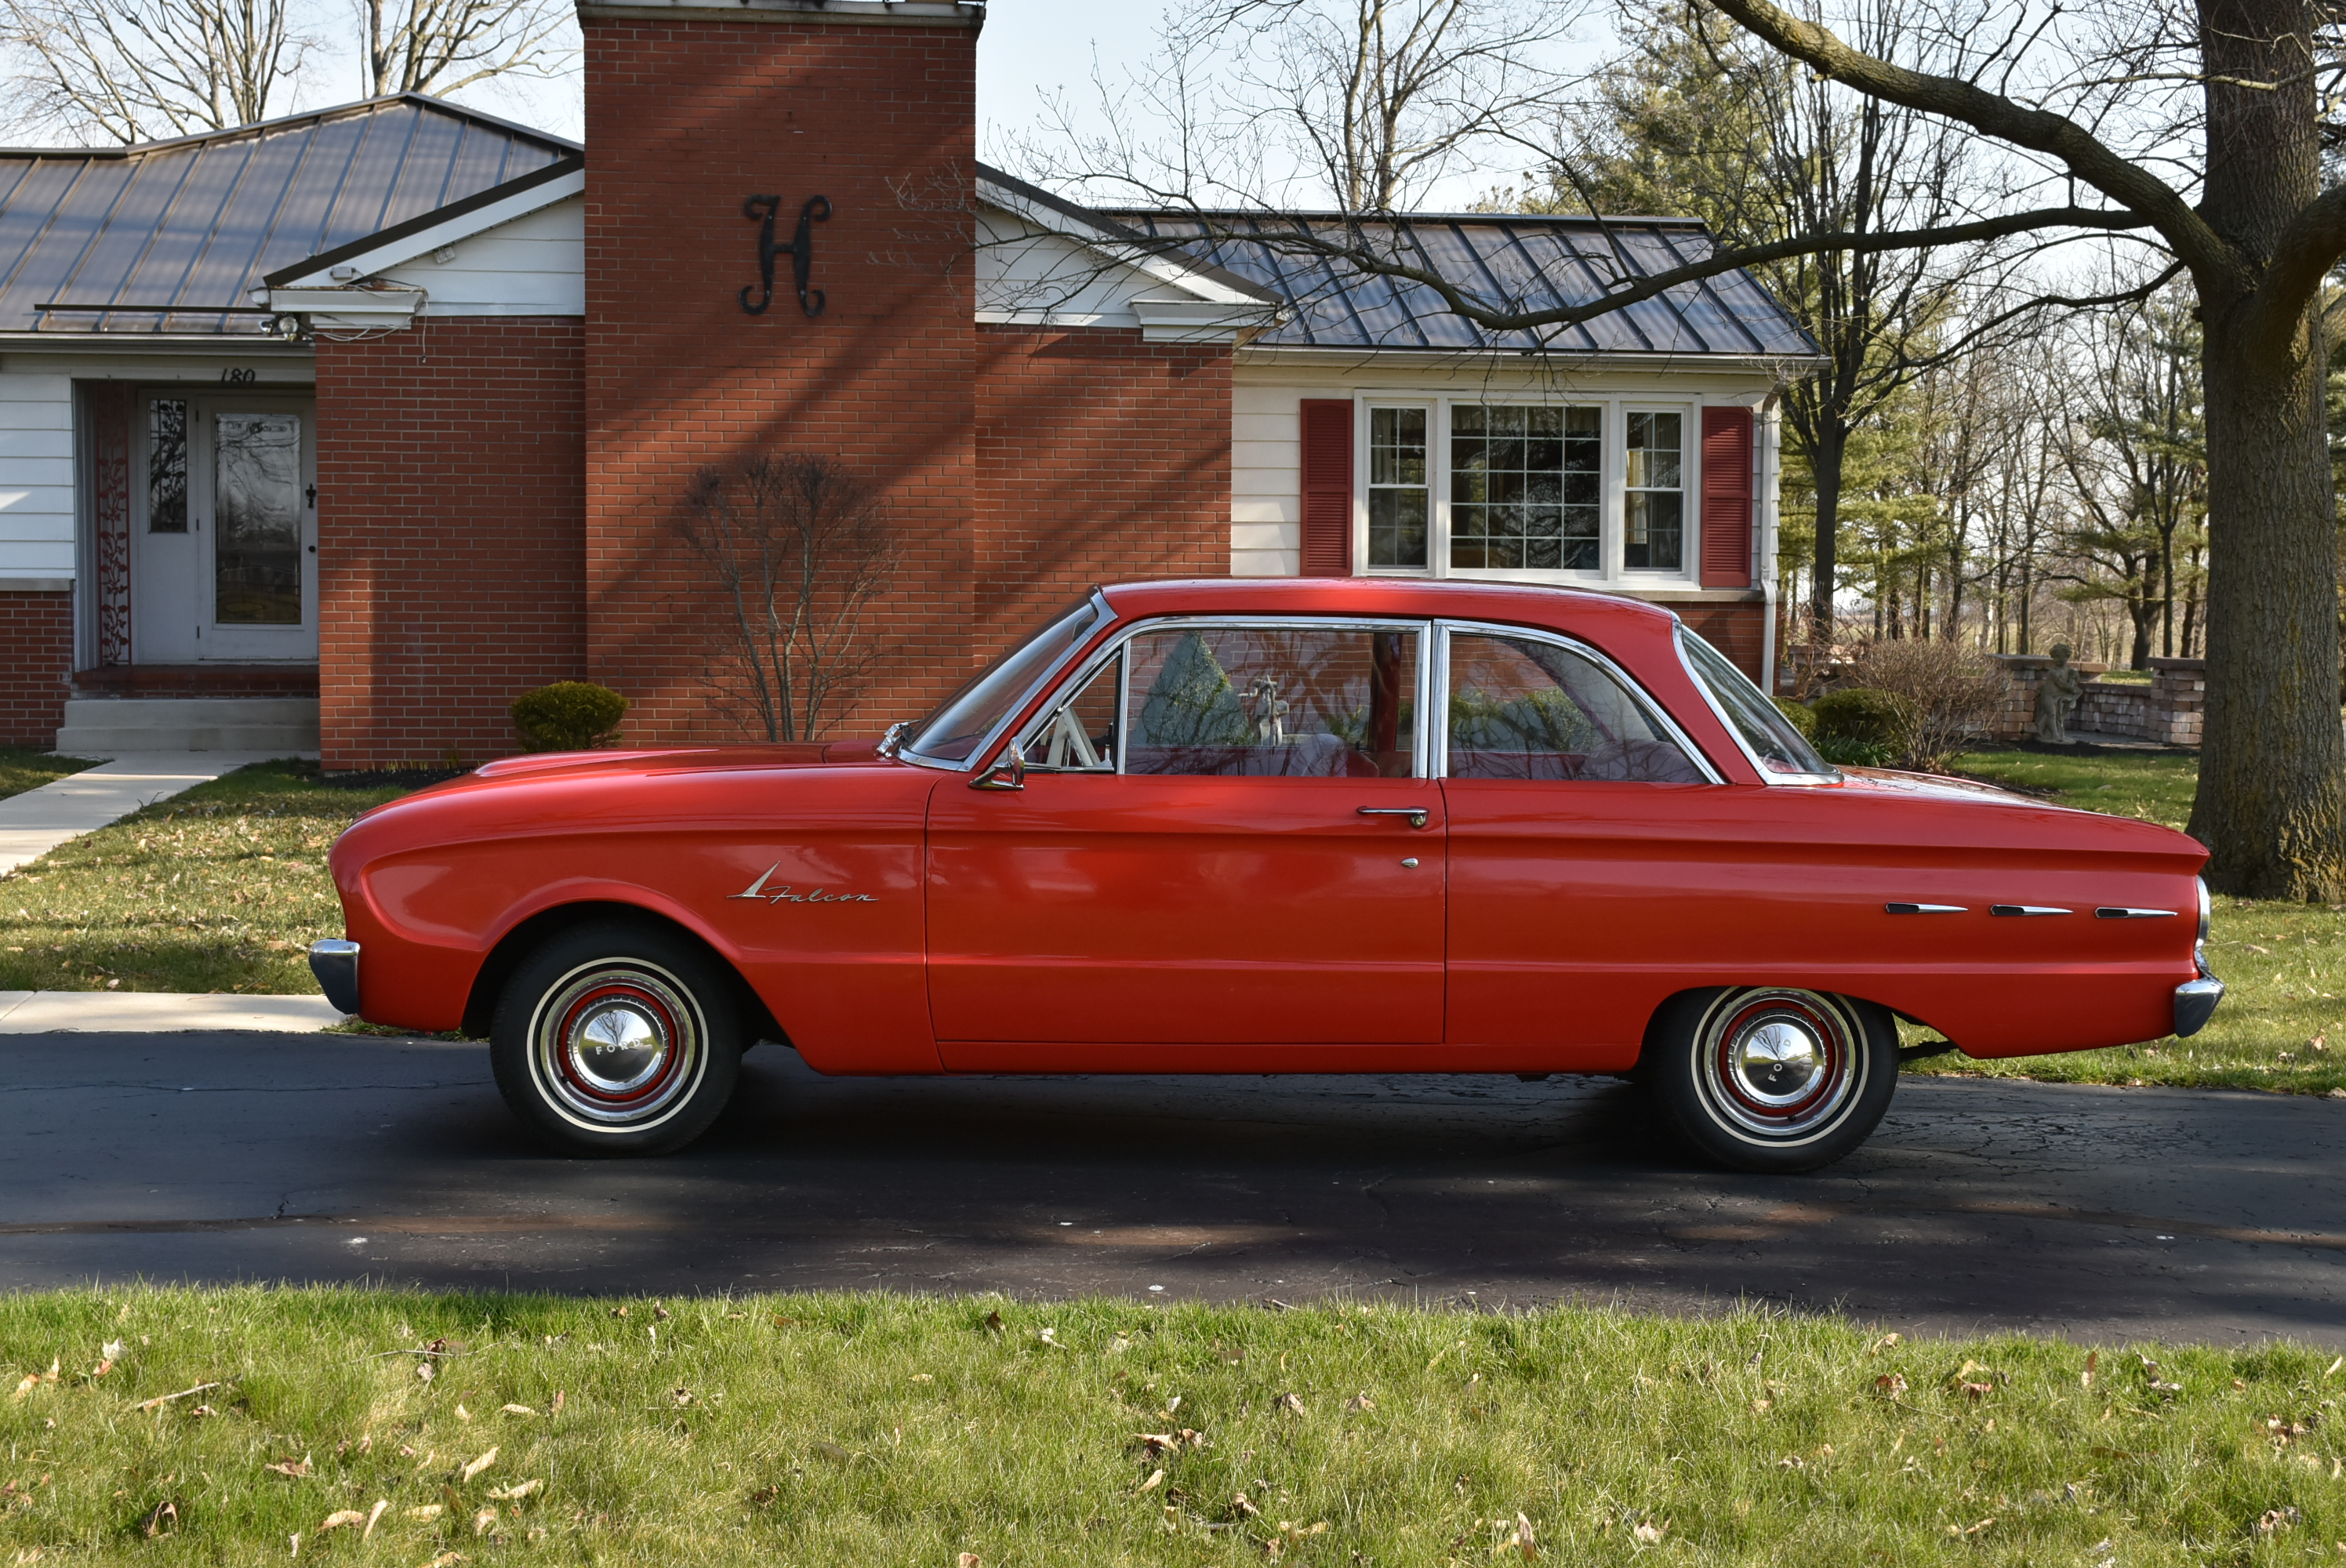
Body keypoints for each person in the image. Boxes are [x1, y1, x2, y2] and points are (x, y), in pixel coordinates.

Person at [2032, 643, 2083, 743]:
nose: (2056, 660)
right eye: (2054, 658)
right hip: (2048, 696)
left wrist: (2076, 675)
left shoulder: (2068, 670)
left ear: (2066, 657)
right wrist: (2072, 689)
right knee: (2051, 714)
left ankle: (2054, 732)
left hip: (2059, 696)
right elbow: (2060, 683)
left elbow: (2076, 681)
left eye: (2059, 657)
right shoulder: (2053, 671)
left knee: (2058, 715)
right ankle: (2054, 735)